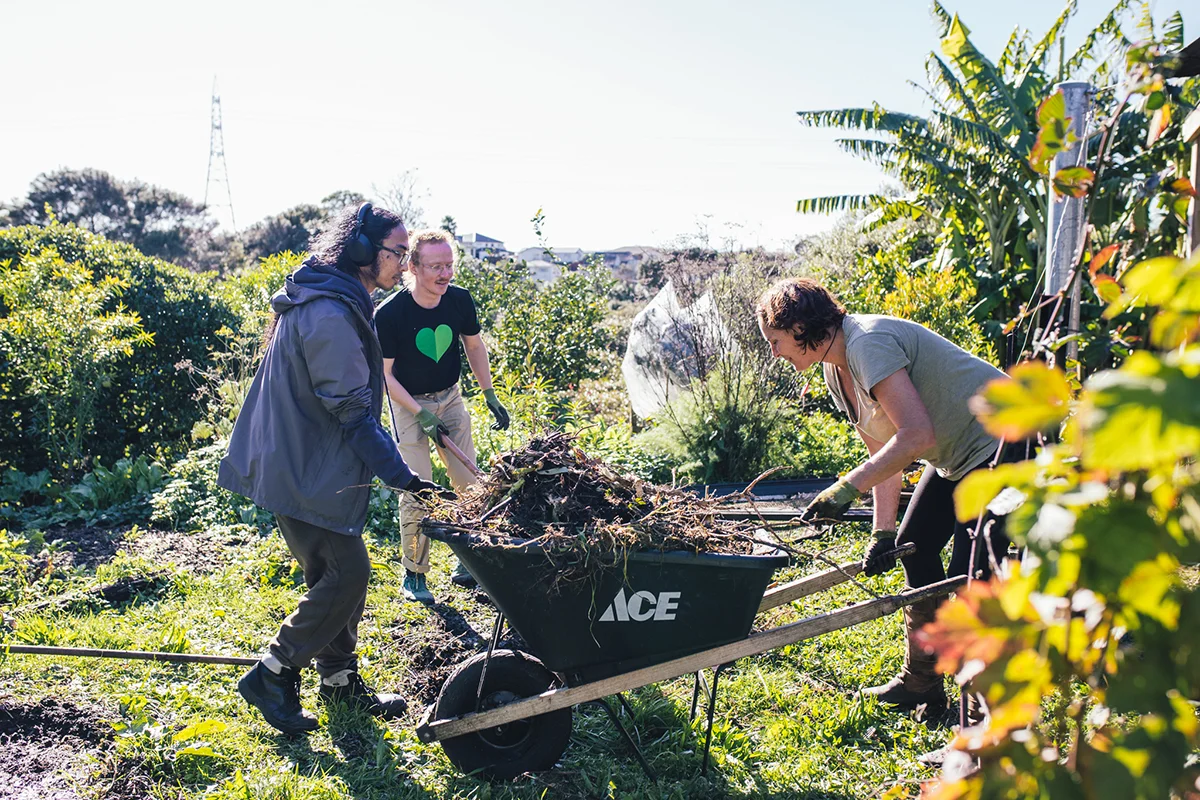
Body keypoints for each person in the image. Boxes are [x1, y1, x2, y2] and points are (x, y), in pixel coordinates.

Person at [218, 203, 453, 735]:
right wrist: (403, 476)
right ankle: (272, 673)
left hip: (312, 459)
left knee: (335, 572)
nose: (403, 263)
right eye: (397, 252)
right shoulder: (328, 312)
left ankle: (339, 680)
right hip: (302, 463)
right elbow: (350, 410)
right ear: (364, 252)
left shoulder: (342, 299)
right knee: (348, 574)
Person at [756, 277, 1025, 715]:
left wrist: (846, 488)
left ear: (802, 327)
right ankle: (922, 682)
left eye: (776, 340)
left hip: (1008, 442)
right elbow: (886, 454)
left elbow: (916, 435)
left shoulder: (868, 344)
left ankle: (983, 712)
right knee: (912, 549)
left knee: (968, 577)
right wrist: (882, 534)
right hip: (958, 458)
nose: (775, 353)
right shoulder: (834, 367)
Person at [374, 228, 509, 604]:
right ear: (413, 267)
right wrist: (421, 414)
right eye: (435, 266)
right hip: (406, 404)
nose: (445, 274)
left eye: (449, 265)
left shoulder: (460, 301)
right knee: (417, 489)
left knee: (469, 483)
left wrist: (489, 393)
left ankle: (468, 563)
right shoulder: (390, 314)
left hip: (450, 398)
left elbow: (474, 345)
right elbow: (385, 377)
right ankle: (414, 574)